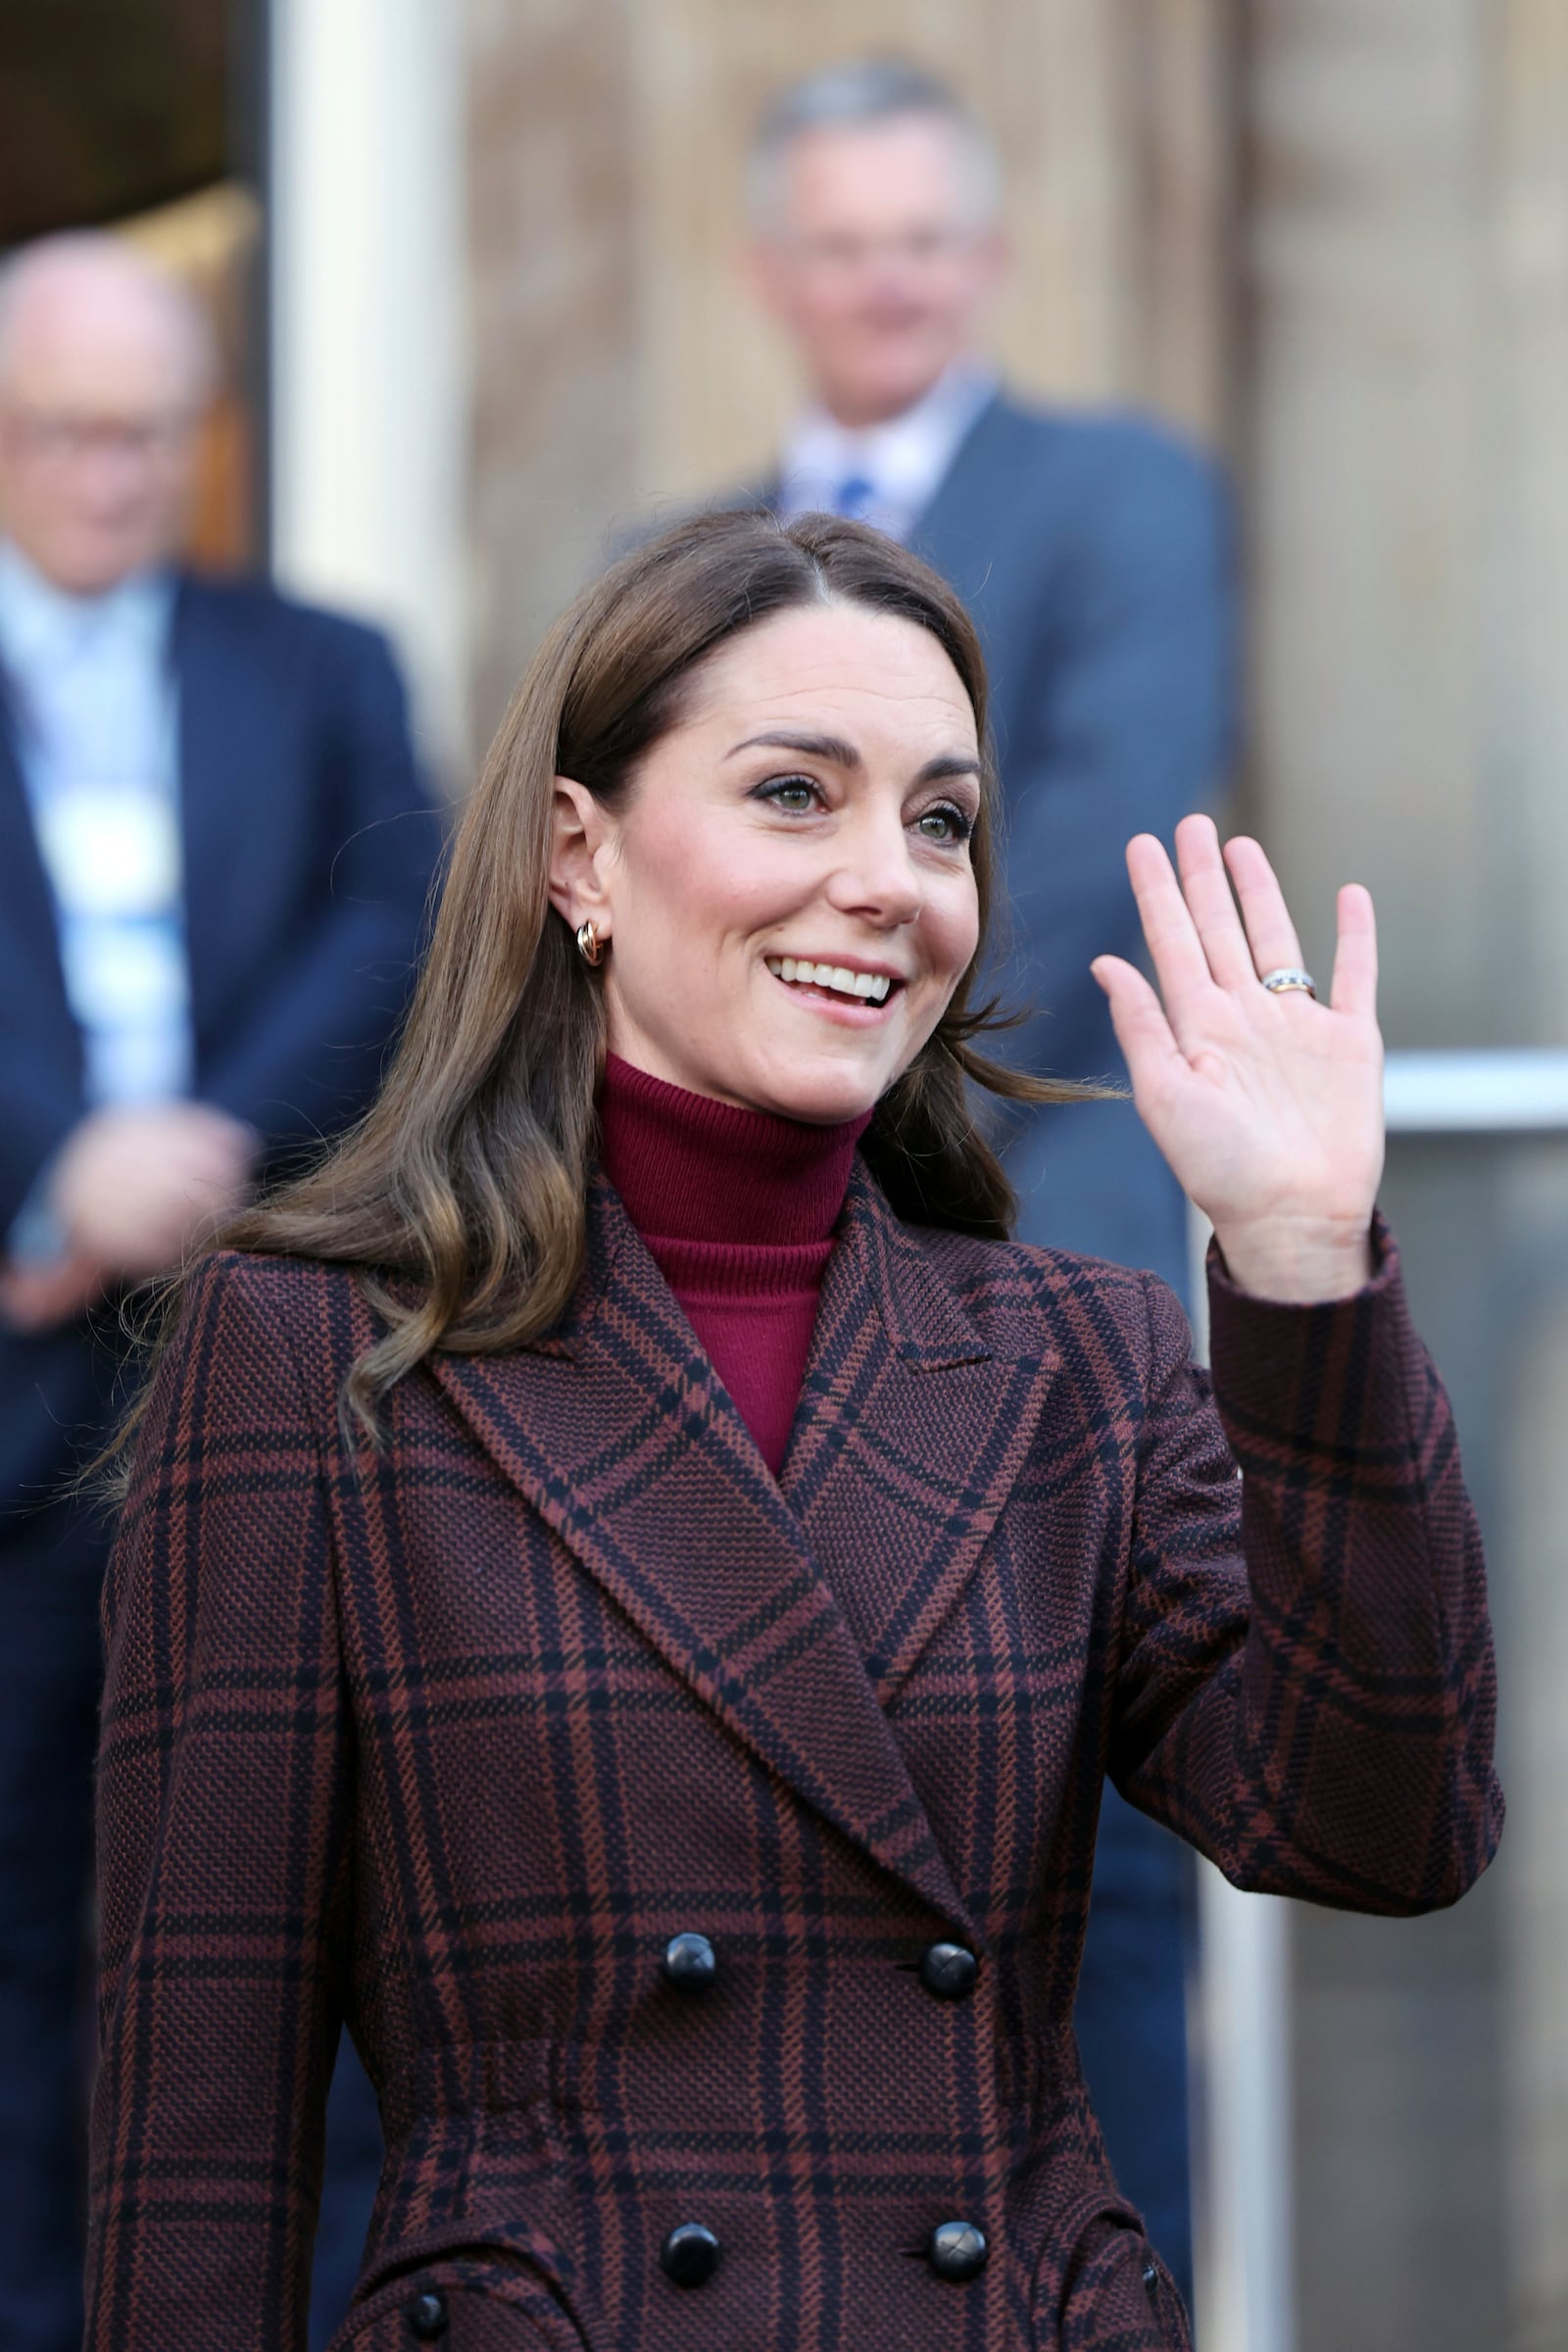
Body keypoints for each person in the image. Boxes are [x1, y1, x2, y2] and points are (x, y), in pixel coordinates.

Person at [87, 510, 1499, 2351]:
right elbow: (200, 2121)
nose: (887, 881)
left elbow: (1385, 1830)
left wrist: (1301, 1257)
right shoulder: (311, 1352)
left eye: (939, 821)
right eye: (791, 793)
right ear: (575, 854)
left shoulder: (1079, 1353)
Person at [717, 59, 1237, 2295]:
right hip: (763, 1321)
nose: (885, 279)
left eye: (920, 235)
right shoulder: (702, 554)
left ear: (989, 259)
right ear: (772, 276)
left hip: (1034, 1276)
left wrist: (794, 1024)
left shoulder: (1121, 498)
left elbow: (1088, 835)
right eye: (840, 241)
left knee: (1087, 1894)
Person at [0, 233, 439, 2352]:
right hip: (8, 1411)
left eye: (148, 434)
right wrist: (48, 1157)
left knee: (283, 1926)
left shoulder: (324, 664)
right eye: (64, 432)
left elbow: (398, 933)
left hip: (261, 1397)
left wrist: (179, 1158)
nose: (110, 475)